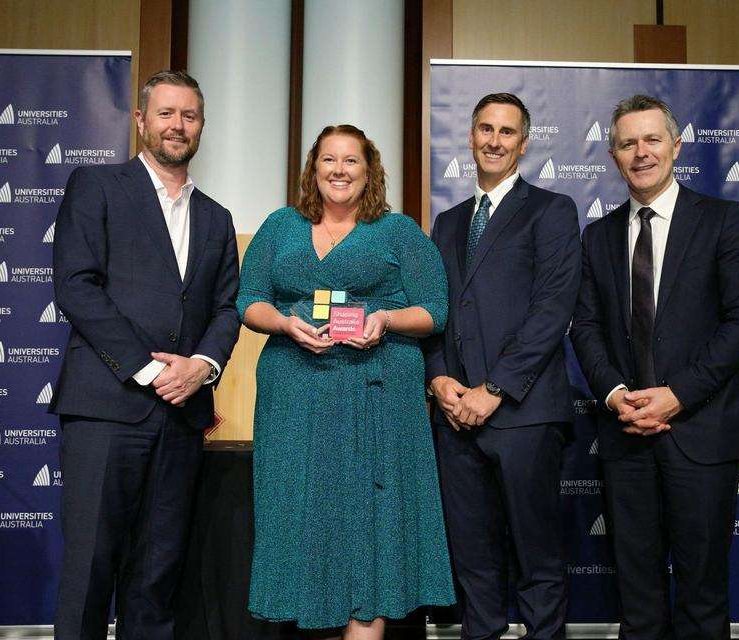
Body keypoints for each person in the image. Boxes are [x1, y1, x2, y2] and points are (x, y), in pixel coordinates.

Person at [237, 124, 454, 636]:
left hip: (374, 395)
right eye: (329, 160)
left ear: (369, 170)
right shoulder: (280, 225)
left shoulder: (397, 231)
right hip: (295, 395)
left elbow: (435, 311)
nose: (339, 170)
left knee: (368, 524)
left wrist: (386, 321)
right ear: (313, 168)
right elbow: (249, 301)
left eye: (351, 161)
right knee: (305, 519)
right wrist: (285, 323)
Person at [50, 70, 240, 640]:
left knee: (157, 577)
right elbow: (76, 286)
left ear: (201, 125)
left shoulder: (216, 217)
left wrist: (201, 367)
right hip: (107, 411)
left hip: (181, 418)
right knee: (89, 571)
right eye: (165, 113)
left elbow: (227, 309)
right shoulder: (98, 186)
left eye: (189, 115)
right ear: (140, 121)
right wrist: (153, 368)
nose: (177, 125)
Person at [570, 94, 739, 640]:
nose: (641, 152)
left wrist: (676, 394)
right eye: (628, 143)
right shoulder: (598, 236)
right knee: (638, 599)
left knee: (703, 597)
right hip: (626, 434)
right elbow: (584, 328)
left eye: (652, 139)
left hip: (702, 432)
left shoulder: (724, 220)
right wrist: (614, 395)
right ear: (613, 156)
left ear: (676, 147)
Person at [424, 93, 581, 640]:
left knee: (537, 560)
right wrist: (441, 379)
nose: (494, 140)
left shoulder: (551, 210)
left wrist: (493, 390)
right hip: (454, 420)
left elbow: (552, 311)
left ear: (523, 142)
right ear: (470, 136)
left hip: (524, 414)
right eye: (485, 129)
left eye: (506, 132)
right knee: (473, 561)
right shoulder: (446, 223)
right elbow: (435, 312)